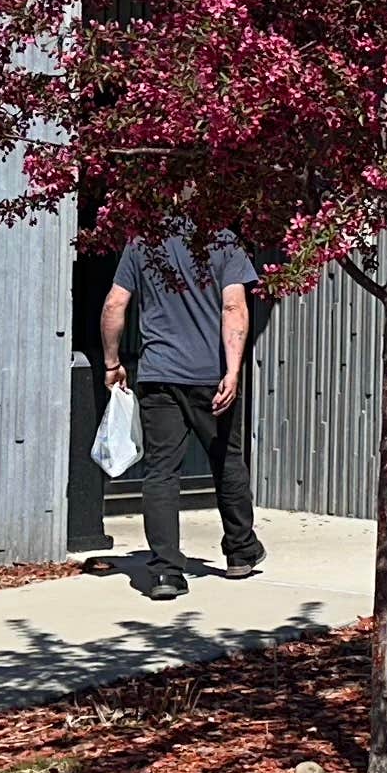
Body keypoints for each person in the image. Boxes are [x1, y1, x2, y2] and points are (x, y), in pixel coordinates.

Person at [98, 217, 262, 602]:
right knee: (225, 459)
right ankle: (240, 551)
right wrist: (233, 371)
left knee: (161, 472)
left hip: (159, 375)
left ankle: (165, 573)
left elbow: (114, 304)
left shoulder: (143, 241)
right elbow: (234, 306)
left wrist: (111, 362)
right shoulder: (223, 239)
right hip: (210, 377)